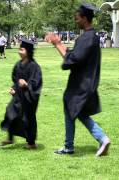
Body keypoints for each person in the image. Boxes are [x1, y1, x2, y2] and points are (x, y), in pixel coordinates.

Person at [45, 3, 111, 156]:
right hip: (85, 82)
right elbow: (75, 56)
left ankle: (102, 138)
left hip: (81, 84)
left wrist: (57, 43)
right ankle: (69, 146)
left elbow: (72, 60)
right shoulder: (91, 37)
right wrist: (59, 45)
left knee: (77, 111)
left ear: (85, 18)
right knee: (72, 110)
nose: (76, 21)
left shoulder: (87, 38)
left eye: (77, 18)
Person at [0, 38, 42, 149]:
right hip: (18, 96)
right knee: (10, 112)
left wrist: (27, 85)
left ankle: (31, 143)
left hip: (29, 98)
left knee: (28, 119)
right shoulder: (18, 64)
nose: (19, 51)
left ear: (28, 51)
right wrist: (14, 88)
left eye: (22, 49)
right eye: (19, 49)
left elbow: (36, 83)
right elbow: (15, 79)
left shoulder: (34, 66)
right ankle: (10, 138)